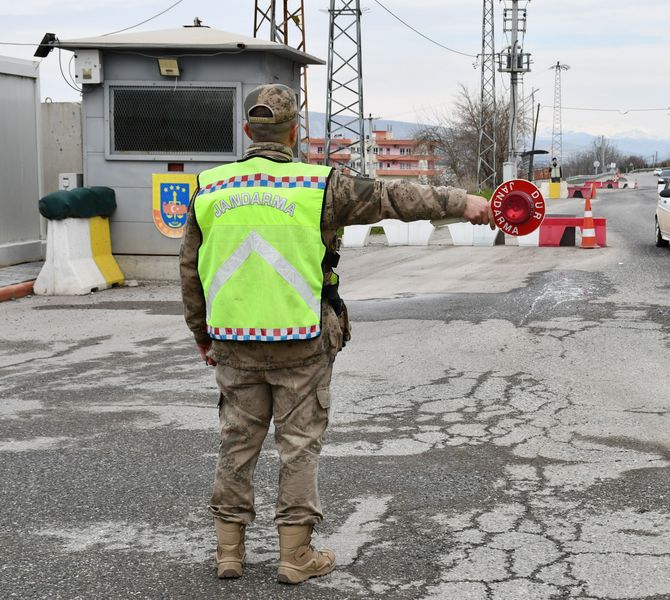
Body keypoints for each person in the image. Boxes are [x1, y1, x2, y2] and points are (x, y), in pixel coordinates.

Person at [179, 84, 492, 585]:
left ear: (246, 130)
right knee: (298, 444)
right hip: (302, 340)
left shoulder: (210, 187)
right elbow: (396, 198)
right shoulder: (322, 184)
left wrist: (201, 333)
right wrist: (464, 201)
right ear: (295, 131)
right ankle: (294, 555)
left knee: (237, 442)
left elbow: (191, 270)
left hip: (233, 340)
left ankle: (228, 552)